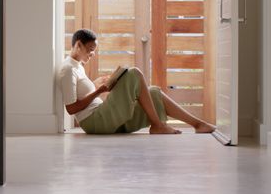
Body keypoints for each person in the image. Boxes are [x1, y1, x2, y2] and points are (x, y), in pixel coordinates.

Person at [59, 28, 216, 135]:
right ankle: (158, 125)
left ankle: (198, 124)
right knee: (134, 73)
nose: (92, 54)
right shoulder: (68, 70)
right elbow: (71, 108)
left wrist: (97, 83)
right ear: (78, 45)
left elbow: (83, 94)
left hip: (101, 115)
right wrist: (99, 91)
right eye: (90, 49)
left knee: (154, 92)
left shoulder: (77, 66)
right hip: (95, 122)